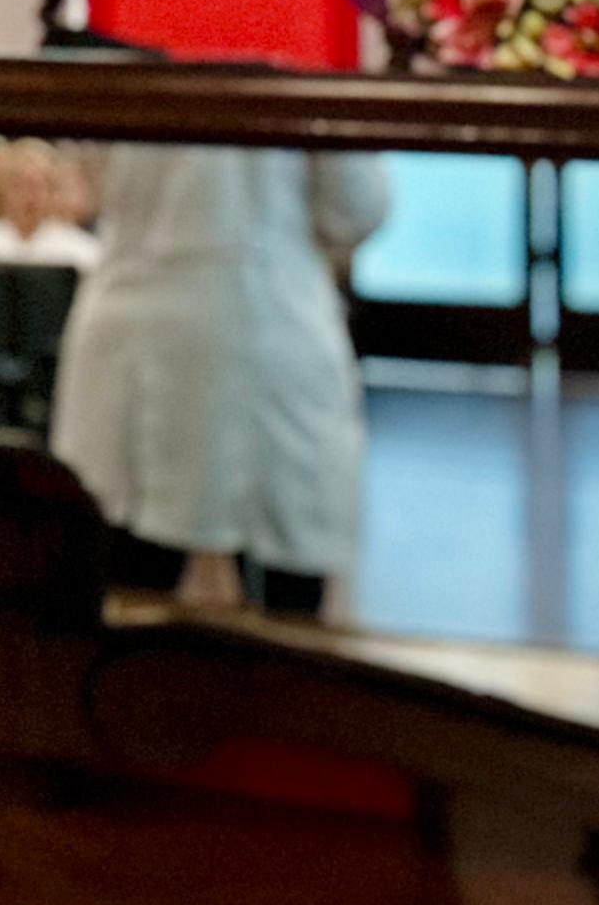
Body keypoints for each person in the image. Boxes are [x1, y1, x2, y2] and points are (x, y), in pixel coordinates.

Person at [50, 144, 390, 618]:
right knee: (286, 585)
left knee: (128, 572)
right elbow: (356, 208)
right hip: (270, 315)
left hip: (132, 310)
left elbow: (93, 181)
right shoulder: (306, 87)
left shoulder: (121, 88)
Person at [0, 143, 101, 270]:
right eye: (19, 185)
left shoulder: (82, 250)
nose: (29, 196)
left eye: (37, 187)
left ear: (50, 192)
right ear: (4, 189)